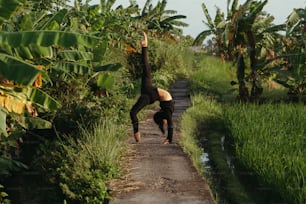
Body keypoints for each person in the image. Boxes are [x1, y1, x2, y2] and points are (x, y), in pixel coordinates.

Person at [130, 32, 175, 144]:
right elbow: (145, 63)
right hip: (154, 93)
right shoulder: (167, 108)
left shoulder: (167, 109)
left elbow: (171, 125)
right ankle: (137, 133)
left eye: (164, 122)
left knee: (133, 112)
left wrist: (169, 139)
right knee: (146, 67)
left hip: (154, 95)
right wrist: (144, 46)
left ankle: (137, 134)